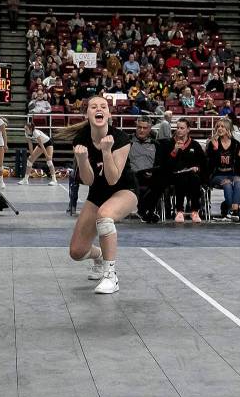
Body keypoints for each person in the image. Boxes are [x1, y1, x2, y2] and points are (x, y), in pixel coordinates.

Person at [56, 96, 137, 294]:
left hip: (124, 190)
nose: (98, 109)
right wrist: (82, 160)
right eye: (93, 106)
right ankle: (100, 255)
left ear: (108, 114)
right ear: (87, 114)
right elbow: (89, 181)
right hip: (97, 193)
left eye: (103, 106)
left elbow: (112, 179)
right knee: (77, 252)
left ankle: (110, 275)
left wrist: (106, 152)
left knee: (105, 215)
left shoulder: (121, 139)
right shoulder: (81, 140)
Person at [162, 118, 205, 222]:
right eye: (177, 128)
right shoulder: (169, 143)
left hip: (191, 175)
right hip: (174, 175)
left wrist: (197, 168)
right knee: (181, 178)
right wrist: (175, 150)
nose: (179, 130)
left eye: (182, 128)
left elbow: (202, 162)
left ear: (188, 130)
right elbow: (166, 165)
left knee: (195, 178)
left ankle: (195, 211)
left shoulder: (195, 145)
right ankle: (179, 211)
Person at [205, 117, 240, 221]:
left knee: (238, 181)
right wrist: (215, 149)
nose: (220, 128)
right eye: (218, 126)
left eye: (222, 126)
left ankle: (232, 211)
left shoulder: (236, 143)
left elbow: (237, 165)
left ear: (228, 129)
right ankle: (234, 211)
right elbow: (210, 164)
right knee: (227, 183)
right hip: (217, 174)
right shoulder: (212, 143)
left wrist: (239, 157)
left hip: (233, 173)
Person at [128, 116, 158, 221]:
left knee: (161, 180)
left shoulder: (155, 144)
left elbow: (158, 163)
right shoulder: (128, 142)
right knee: (134, 177)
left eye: (144, 128)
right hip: (133, 175)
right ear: (135, 127)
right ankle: (145, 211)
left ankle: (146, 211)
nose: (141, 130)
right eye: (139, 127)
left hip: (151, 175)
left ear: (149, 129)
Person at [19, 118, 55, 185]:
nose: (25, 130)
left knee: (49, 160)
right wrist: (32, 154)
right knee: (30, 159)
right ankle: (25, 179)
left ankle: (54, 180)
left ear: (31, 129)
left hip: (48, 143)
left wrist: (46, 155)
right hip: (40, 145)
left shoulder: (36, 133)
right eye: (25, 129)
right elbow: (30, 144)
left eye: (26, 129)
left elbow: (42, 145)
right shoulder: (26, 133)